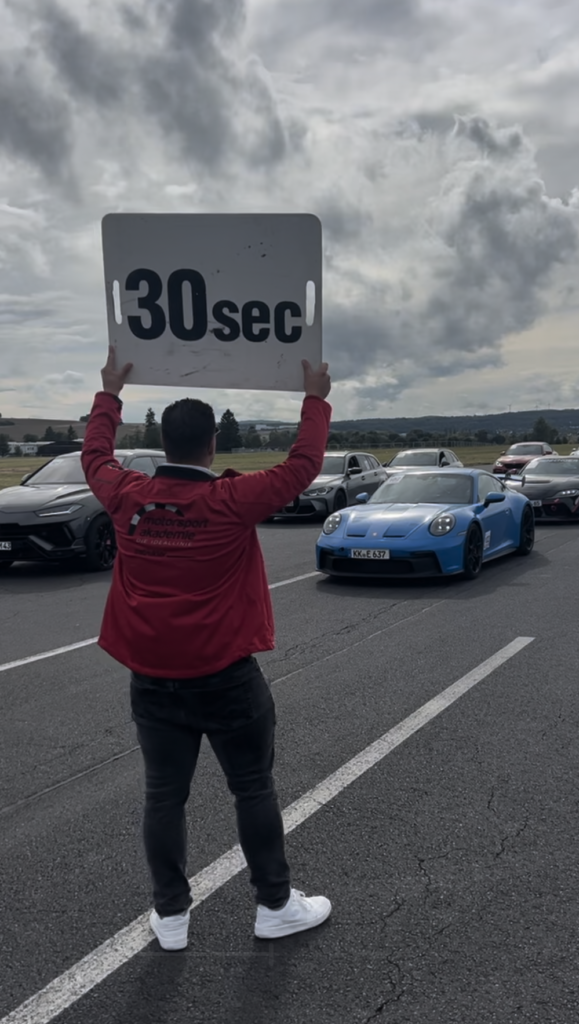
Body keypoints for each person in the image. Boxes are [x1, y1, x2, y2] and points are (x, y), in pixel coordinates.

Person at [81, 347, 332, 950]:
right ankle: (274, 905)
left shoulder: (127, 495)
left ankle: (171, 918)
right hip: (226, 679)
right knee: (252, 788)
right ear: (213, 445)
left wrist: (109, 391)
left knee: (164, 796)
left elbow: (95, 457)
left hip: (152, 680)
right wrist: (315, 400)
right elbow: (302, 467)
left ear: (162, 443)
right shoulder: (230, 500)